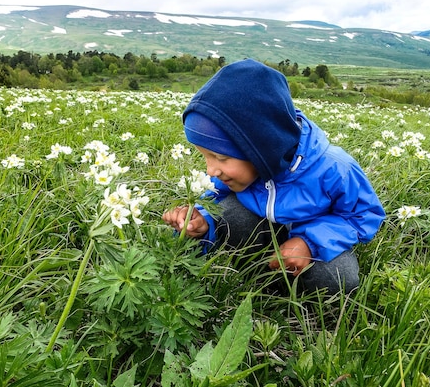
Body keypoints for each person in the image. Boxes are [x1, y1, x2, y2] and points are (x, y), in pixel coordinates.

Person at [162, 59, 385, 296]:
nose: (211, 171)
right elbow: (216, 196)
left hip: (314, 247)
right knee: (230, 215)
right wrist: (201, 220)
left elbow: (365, 215)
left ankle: (289, 289)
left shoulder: (336, 169)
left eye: (220, 157)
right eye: (205, 157)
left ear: (260, 147)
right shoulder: (233, 174)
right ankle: (254, 274)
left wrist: (309, 244)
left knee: (337, 277)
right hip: (263, 236)